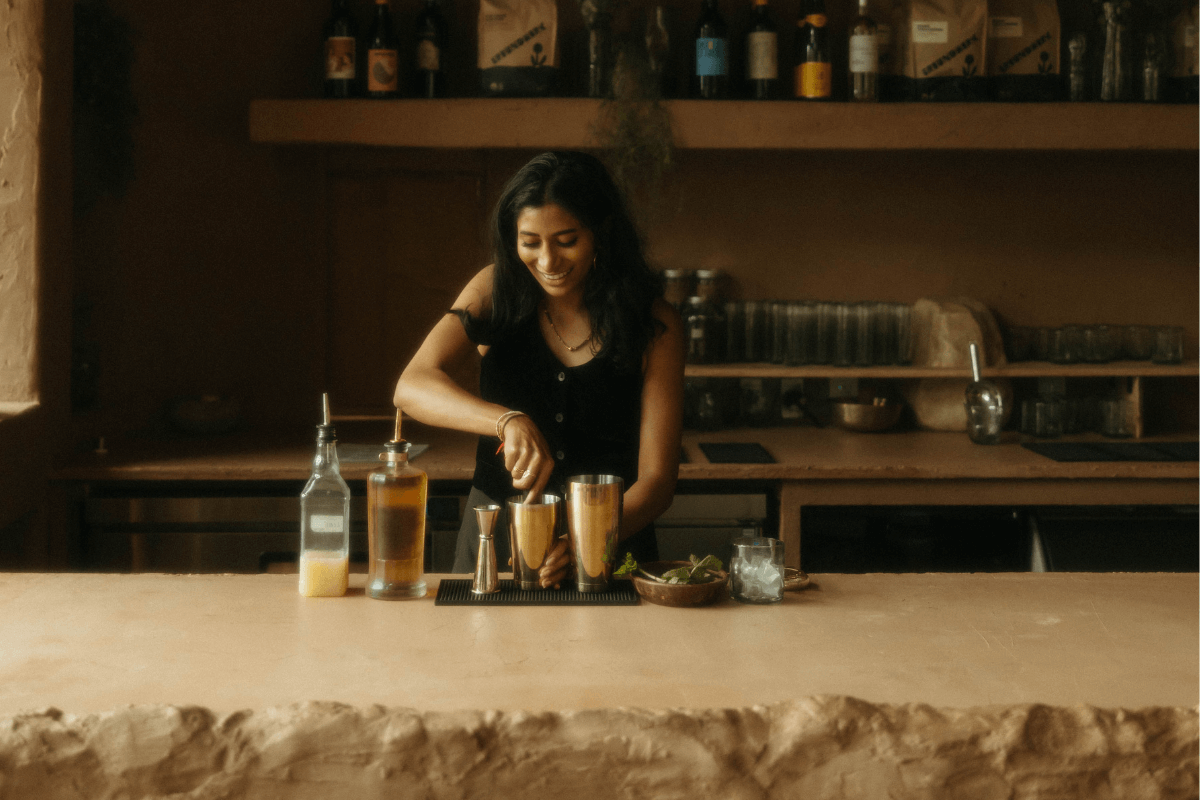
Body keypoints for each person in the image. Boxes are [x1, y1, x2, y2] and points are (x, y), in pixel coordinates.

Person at [394, 150, 685, 588]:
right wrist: (506, 420)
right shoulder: (495, 290)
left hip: (612, 551)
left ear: (600, 232)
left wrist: (591, 538)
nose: (548, 261)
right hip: (495, 542)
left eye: (566, 240)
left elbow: (658, 480)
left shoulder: (654, 324)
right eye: (530, 242)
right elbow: (411, 386)